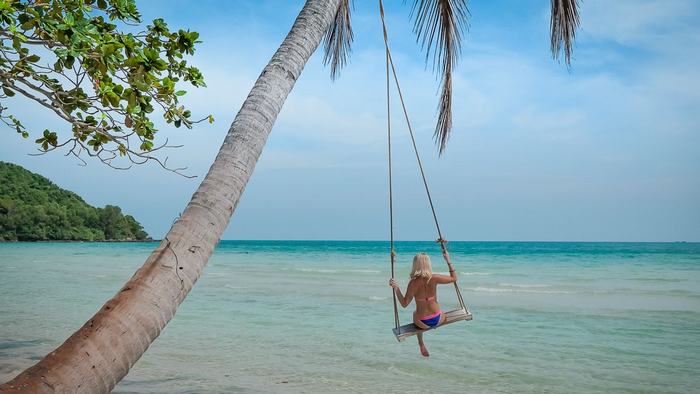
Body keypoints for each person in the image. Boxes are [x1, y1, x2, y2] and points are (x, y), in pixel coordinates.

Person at [389, 251, 457, 357]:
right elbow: (454, 278)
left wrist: (396, 288)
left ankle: (421, 343)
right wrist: (448, 260)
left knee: (415, 313)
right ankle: (423, 340)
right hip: (439, 319)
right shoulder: (434, 278)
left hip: (422, 323)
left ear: (415, 265)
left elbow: (404, 303)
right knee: (438, 309)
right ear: (428, 264)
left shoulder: (413, 283)